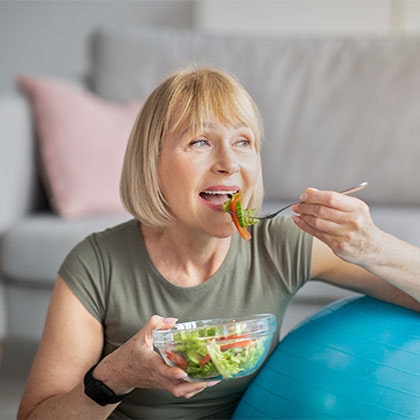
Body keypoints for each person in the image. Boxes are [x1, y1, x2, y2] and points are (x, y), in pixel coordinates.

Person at [18, 66, 420, 420]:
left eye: (243, 142)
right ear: (152, 162)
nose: (230, 162)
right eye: (200, 142)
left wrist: (374, 247)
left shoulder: (279, 241)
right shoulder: (95, 264)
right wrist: (115, 376)